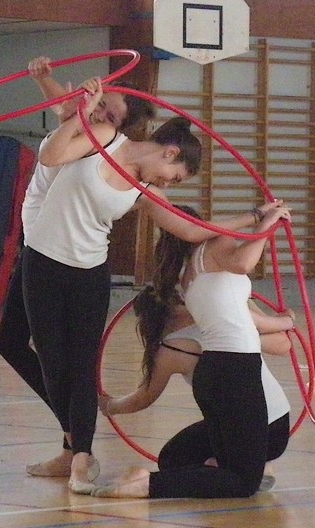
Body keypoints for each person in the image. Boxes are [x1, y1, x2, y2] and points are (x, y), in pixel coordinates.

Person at [20, 77, 289, 495]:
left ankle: (82, 456)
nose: (167, 184)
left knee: (82, 364)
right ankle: (74, 446)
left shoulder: (144, 190)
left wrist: (256, 217)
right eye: (174, 176)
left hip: (89, 271)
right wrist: (80, 115)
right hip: (42, 260)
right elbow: (51, 155)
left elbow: (192, 229)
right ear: (169, 152)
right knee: (53, 361)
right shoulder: (105, 138)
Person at [0, 56, 156, 480]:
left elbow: (59, 137)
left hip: (60, 257)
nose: (99, 113)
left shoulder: (95, 137)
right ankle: (74, 434)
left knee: (65, 361)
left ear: (118, 127)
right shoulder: (82, 121)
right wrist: (46, 79)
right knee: (11, 343)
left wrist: (81, 106)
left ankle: (77, 444)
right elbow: (67, 109)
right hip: (37, 248)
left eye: (109, 114)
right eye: (101, 105)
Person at [91, 200, 292, 499]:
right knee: (242, 483)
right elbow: (243, 263)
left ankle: (183, 475)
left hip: (215, 371)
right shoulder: (213, 247)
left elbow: (244, 318)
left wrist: (283, 321)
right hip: (236, 367)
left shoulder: (188, 276)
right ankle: (147, 483)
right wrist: (264, 225)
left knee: (222, 468)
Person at [98, 279, 294, 491]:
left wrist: (110, 406)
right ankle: (243, 467)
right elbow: (283, 344)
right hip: (273, 423)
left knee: (238, 481)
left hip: (262, 426)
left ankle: (153, 482)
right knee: (173, 458)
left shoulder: (174, 348)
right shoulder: (221, 325)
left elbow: (144, 397)